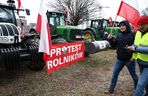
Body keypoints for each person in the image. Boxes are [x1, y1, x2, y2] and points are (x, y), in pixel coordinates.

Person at [104, 20, 138, 94]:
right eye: (120, 26)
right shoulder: (119, 35)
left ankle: (137, 88)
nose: (121, 27)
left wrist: (132, 48)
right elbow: (113, 45)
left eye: (123, 25)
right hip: (119, 59)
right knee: (115, 74)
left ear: (127, 26)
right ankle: (111, 89)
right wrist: (110, 39)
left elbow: (136, 45)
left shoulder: (133, 34)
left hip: (129, 60)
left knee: (134, 75)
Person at [126, 16, 148, 96]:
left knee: (140, 84)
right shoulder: (138, 33)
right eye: (139, 24)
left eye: (143, 24)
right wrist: (131, 47)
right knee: (145, 82)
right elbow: (136, 44)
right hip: (141, 62)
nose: (140, 26)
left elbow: (138, 48)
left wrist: (136, 49)